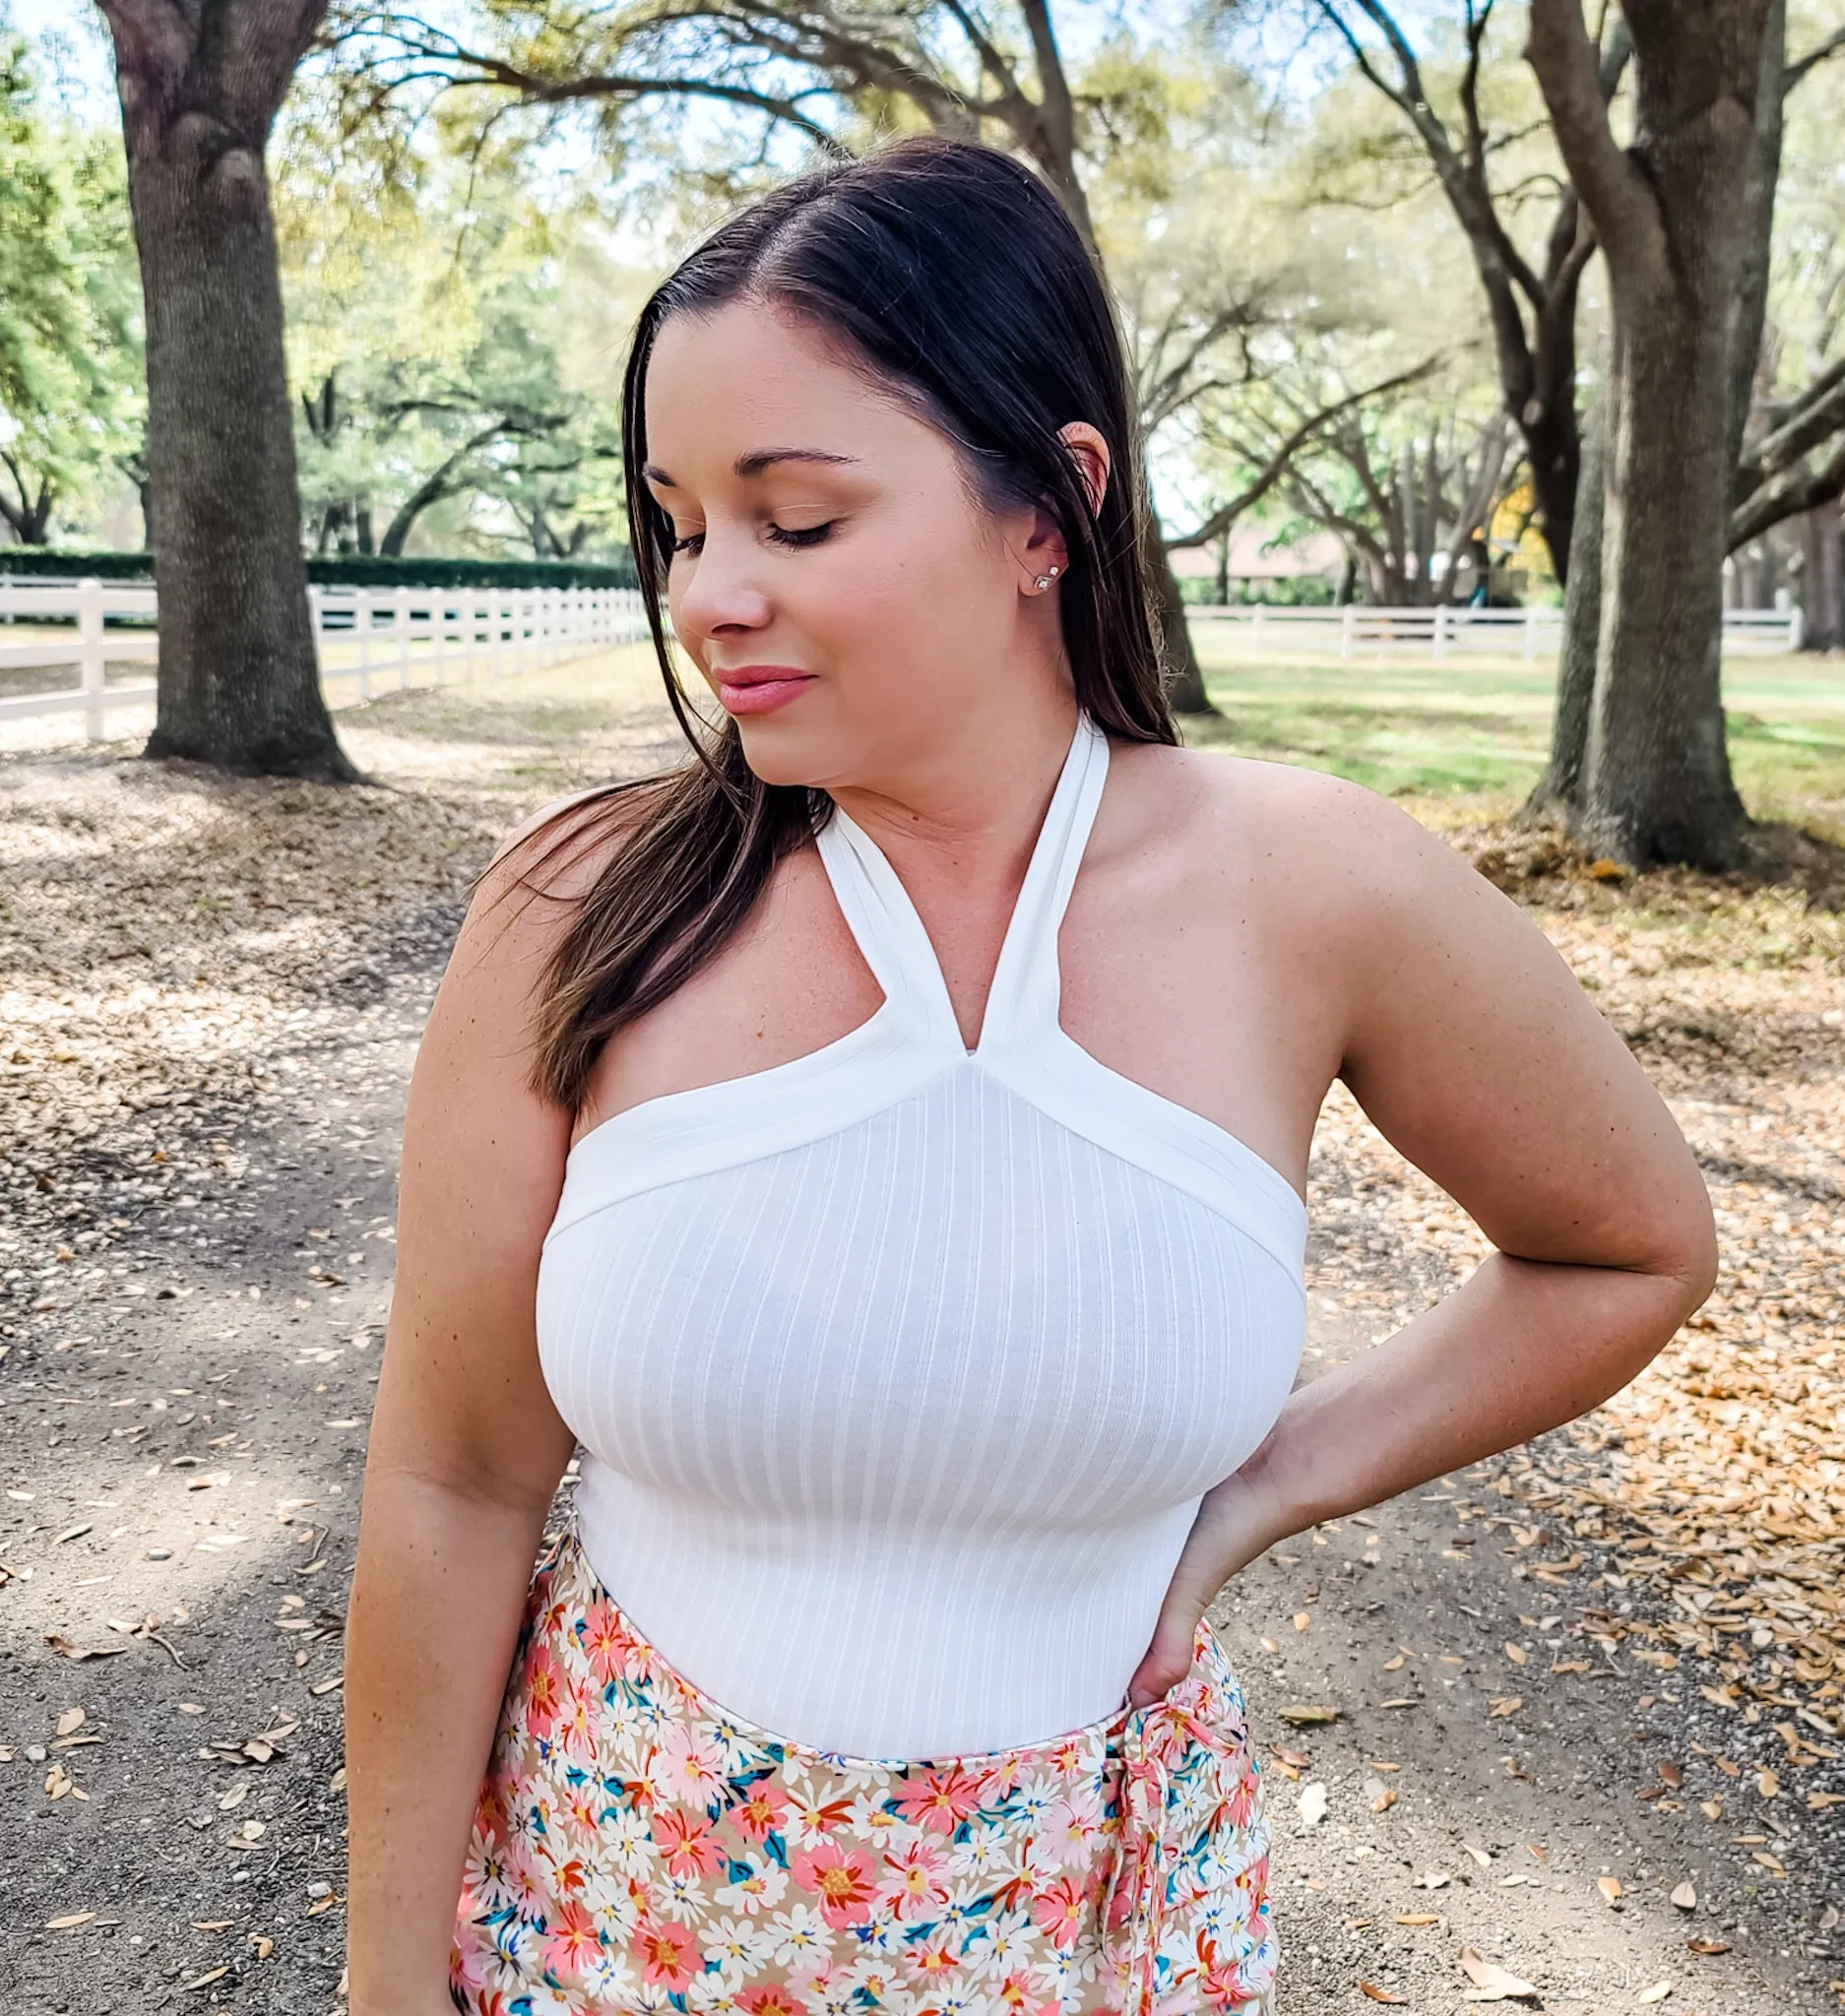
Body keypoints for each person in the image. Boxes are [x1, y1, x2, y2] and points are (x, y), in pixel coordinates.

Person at [342, 136, 1717, 2016]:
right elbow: (455, 1478)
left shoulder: (1314, 891)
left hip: (1089, 1937)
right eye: (676, 521)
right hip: (609, 1922)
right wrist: (382, 1980)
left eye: (795, 520)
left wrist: (1260, 1490)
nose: (707, 593)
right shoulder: (583, 908)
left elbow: (1624, 1245)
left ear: (1048, 509)